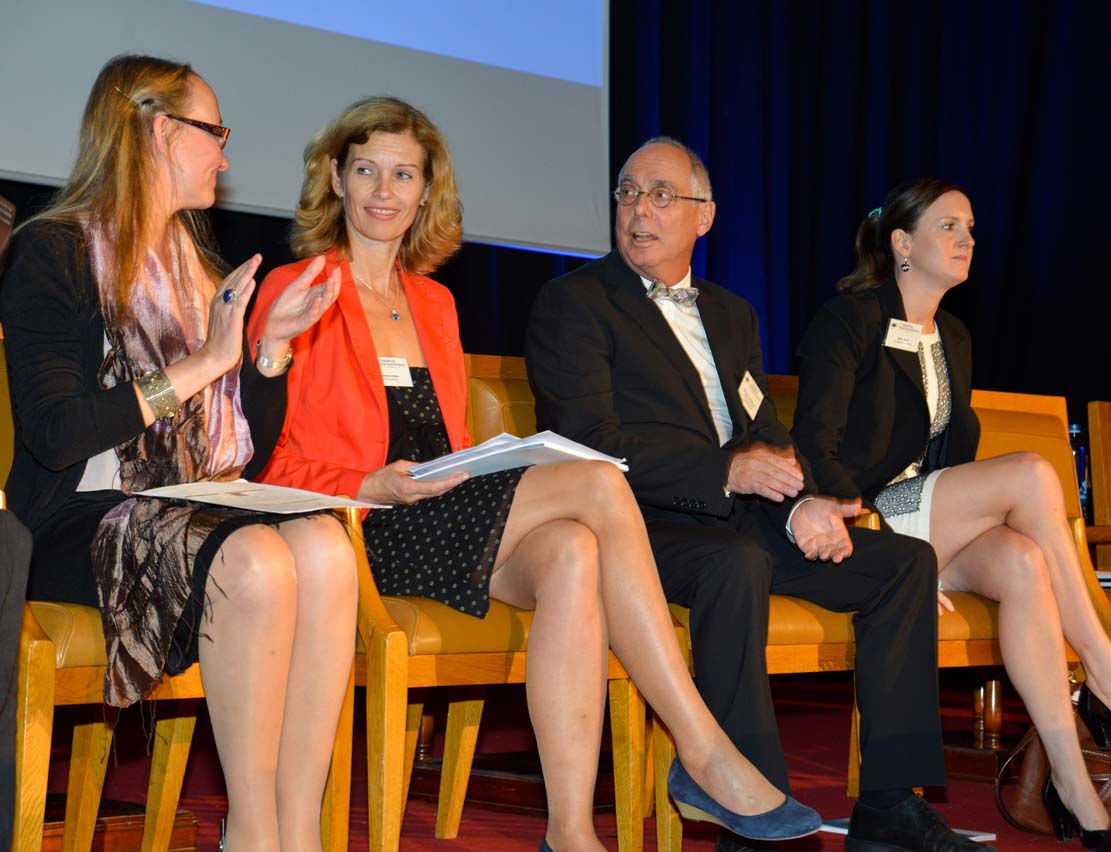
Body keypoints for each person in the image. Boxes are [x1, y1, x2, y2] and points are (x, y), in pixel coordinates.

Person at [248, 96, 822, 852]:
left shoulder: (435, 302)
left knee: (574, 552)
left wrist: (476, 466)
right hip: (352, 528)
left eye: (403, 174)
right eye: (366, 171)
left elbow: (450, 446)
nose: (384, 192)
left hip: (437, 514)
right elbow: (260, 461)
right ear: (335, 178)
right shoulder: (294, 290)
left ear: (426, 190)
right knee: (598, 481)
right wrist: (370, 485)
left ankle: (570, 833)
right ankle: (701, 745)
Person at [525, 138, 996, 852]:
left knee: (902, 566)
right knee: (733, 566)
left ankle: (889, 803)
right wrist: (725, 472)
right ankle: (745, 807)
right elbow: (589, 444)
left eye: (660, 195)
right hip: (635, 526)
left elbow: (764, 431)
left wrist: (801, 503)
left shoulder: (731, 312)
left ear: (704, 216)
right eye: (627, 192)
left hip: (744, 517)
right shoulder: (576, 303)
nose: (639, 209)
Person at [0, 55, 353, 852]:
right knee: (255, 561)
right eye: (214, 133)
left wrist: (269, 351)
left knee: (327, 548)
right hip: (74, 521)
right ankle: (251, 836)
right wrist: (201, 363)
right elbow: (56, 433)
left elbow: (244, 457)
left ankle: (299, 834)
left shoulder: (198, 272)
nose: (224, 157)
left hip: (192, 506)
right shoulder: (53, 251)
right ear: (162, 133)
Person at [792, 178, 1111, 851]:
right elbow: (815, 445)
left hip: (931, 520)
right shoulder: (850, 320)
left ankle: (1073, 782)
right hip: (868, 518)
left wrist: (937, 550)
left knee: (1022, 561)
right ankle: (1103, 666)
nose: (966, 240)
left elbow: (947, 465)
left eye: (970, 229)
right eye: (948, 226)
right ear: (902, 244)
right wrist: (884, 547)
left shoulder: (954, 337)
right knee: (1031, 471)